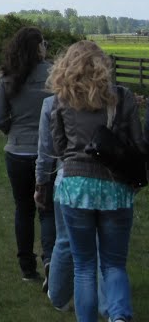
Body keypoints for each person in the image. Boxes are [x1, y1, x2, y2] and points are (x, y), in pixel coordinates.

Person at [49, 40, 144, 322]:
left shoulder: (62, 98)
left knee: (84, 266)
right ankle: (119, 317)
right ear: (103, 64)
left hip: (76, 187)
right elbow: (138, 144)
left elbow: (58, 145)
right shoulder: (123, 97)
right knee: (114, 263)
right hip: (115, 187)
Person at [0, 26, 54, 281]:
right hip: (48, 153)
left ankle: (27, 268)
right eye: (44, 43)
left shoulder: (7, 76)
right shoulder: (53, 74)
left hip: (17, 150)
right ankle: (50, 259)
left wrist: (12, 130)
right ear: (38, 47)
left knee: (23, 209)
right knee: (47, 210)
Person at [35, 93, 107, 315]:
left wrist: (40, 183)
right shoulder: (110, 101)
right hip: (105, 177)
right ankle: (107, 305)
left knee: (65, 240)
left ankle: (58, 297)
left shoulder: (53, 102)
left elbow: (48, 149)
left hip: (68, 178)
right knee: (101, 246)